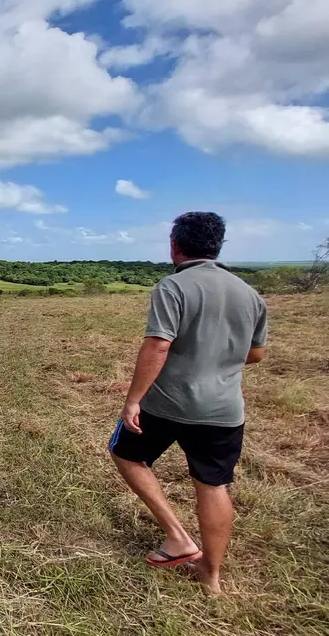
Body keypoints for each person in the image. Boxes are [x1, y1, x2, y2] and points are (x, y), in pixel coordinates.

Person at [109, 211, 268, 596]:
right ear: (218, 246)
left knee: (126, 454)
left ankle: (177, 536)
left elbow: (158, 344)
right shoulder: (250, 295)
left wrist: (133, 401)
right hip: (225, 410)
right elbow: (257, 354)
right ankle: (211, 577)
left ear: (175, 245)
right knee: (213, 485)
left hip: (168, 405)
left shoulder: (173, 287)